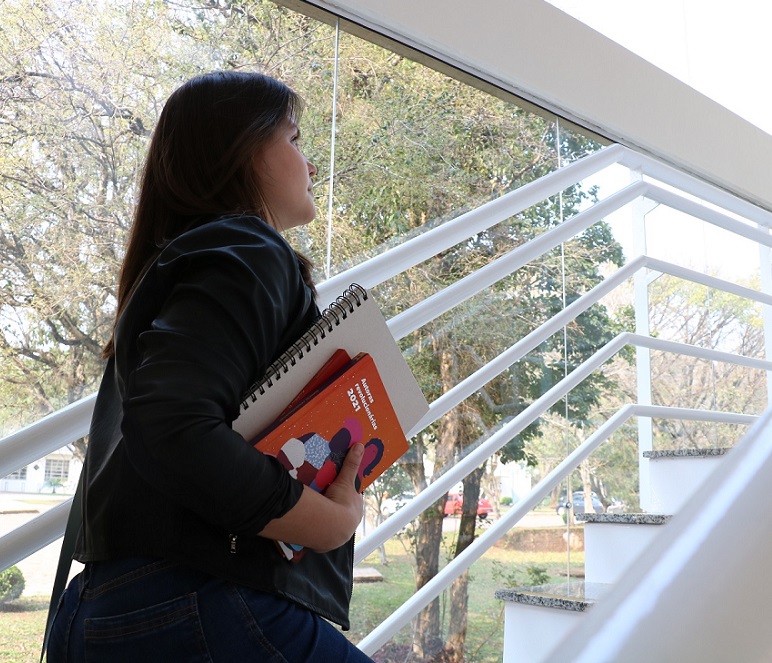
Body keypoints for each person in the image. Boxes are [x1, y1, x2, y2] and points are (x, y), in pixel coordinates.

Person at [47, 70, 373, 662]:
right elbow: (174, 426)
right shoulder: (248, 249)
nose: (311, 165)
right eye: (294, 139)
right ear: (242, 150)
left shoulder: (181, 265)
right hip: (196, 599)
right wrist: (326, 523)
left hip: (109, 604)